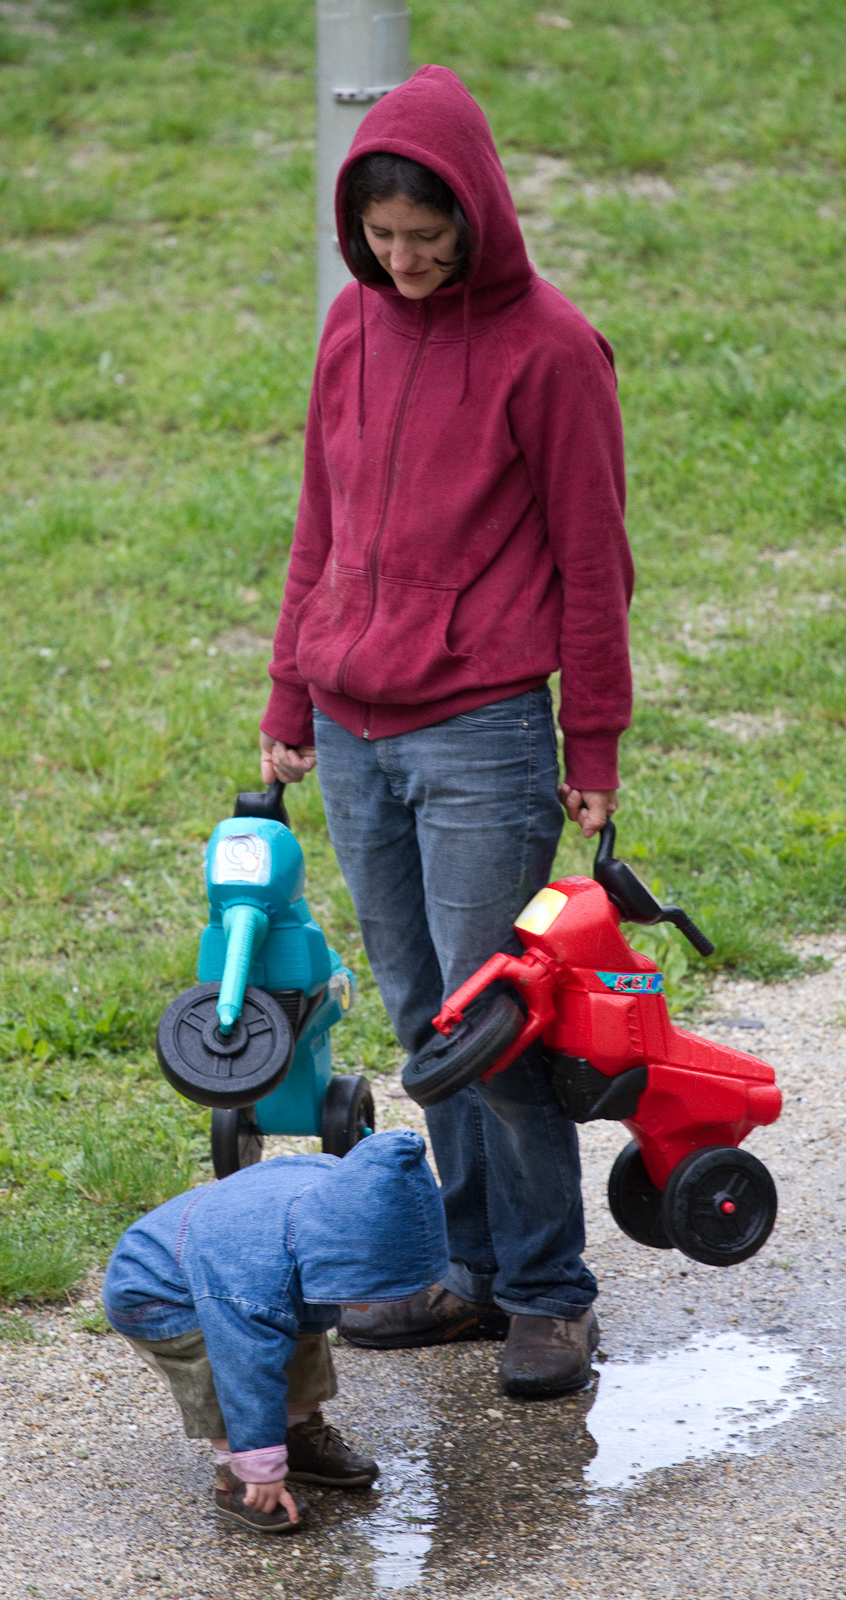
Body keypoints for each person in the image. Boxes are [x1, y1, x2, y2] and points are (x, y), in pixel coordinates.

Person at [258, 65, 633, 1399]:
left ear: (476, 216)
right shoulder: (348, 334)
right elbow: (320, 525)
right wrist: (286, 696)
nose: (401, 261)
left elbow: (593, 565)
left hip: (478, 732)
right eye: (379, 235)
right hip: (353, 731)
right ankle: (465, 1274)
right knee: (424, 1017)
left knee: (494, 1024)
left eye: (428, 236)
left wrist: (590, 745)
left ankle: (545, 1295)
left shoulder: (548, 350)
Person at [101, 1129, 448, 1534]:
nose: (370, 1307)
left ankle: (297, 1437)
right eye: (366, 1288)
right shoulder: (252, 1275)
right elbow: (245, 1368)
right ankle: (239, 1477)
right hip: (160, 1295)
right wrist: (261, 1464)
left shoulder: (336, 1194)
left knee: (301, 1336)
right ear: (338, 1252)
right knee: (222, 1368)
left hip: (234, 1269)